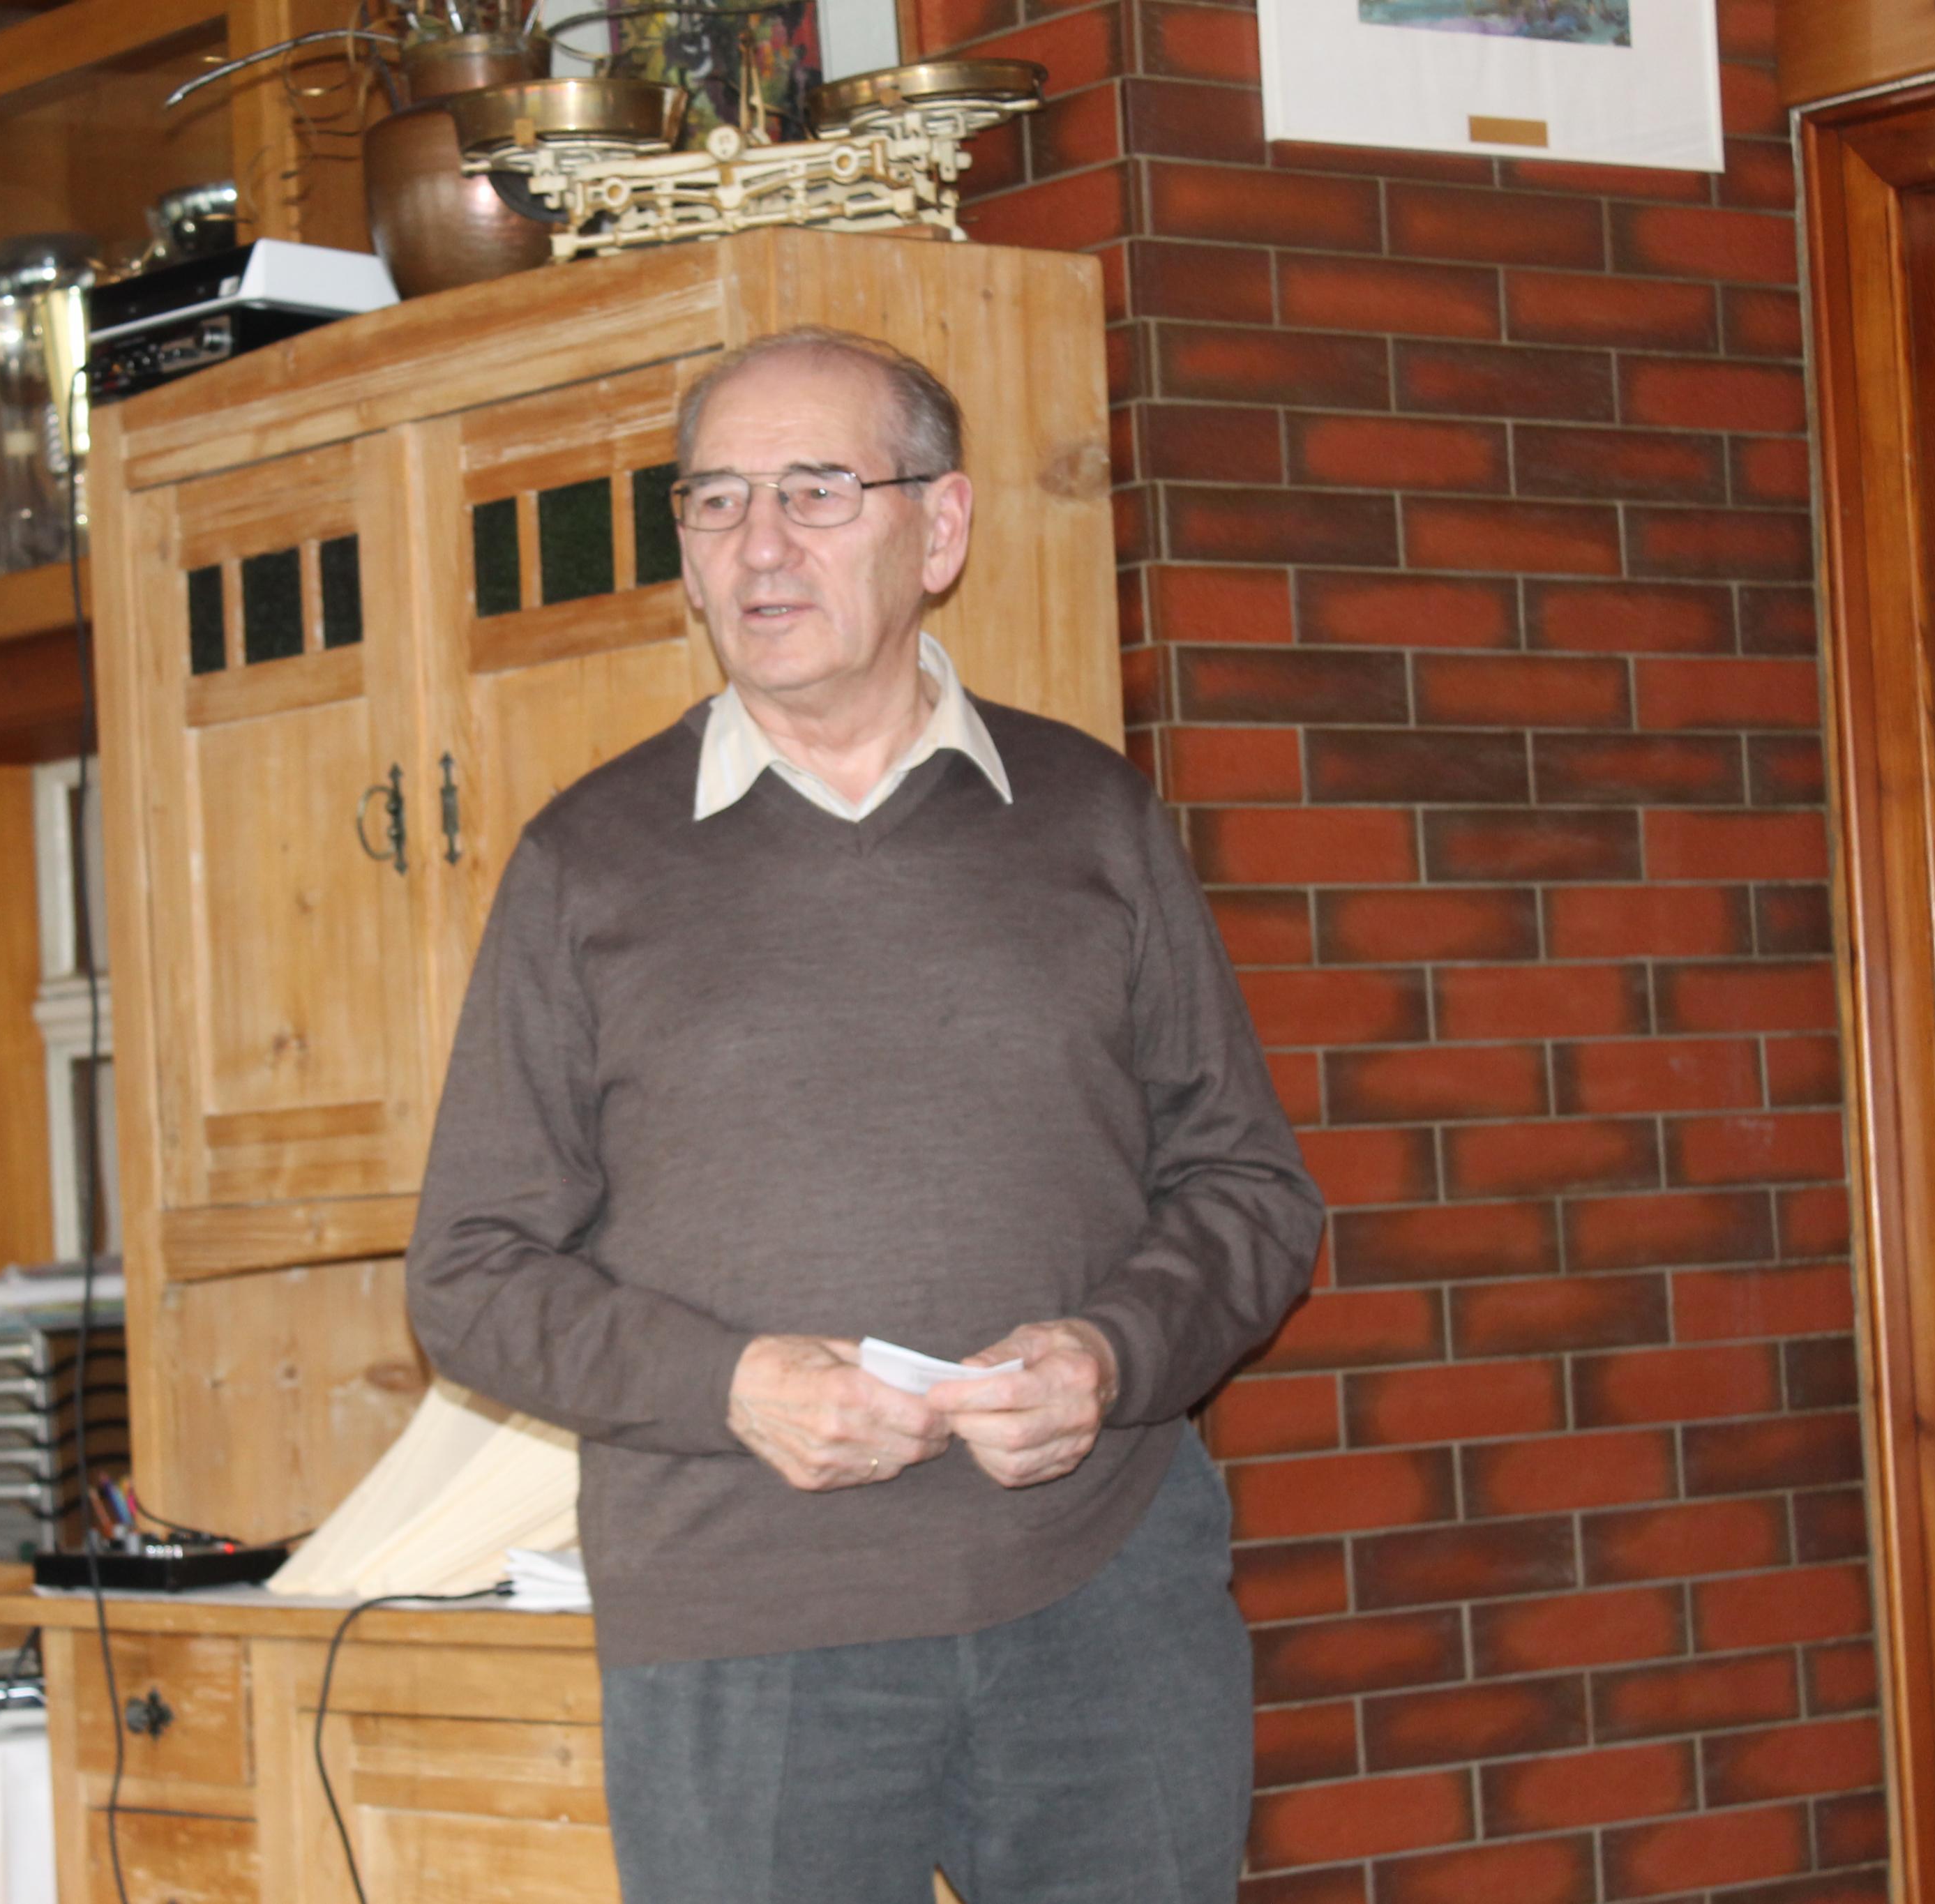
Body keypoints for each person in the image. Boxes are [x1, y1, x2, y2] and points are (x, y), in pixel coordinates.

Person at [405, 326, 1324, 1903]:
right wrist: (733, 1384)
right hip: (742, 1642)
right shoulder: (584, 863)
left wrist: (1111, 1357)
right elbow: (467, 1275)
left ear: (940, 528)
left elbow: (1251, 1190)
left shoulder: (1092, 818)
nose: (760, 545)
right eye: (716, 500)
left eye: (817, 492)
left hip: (1104, 1609)